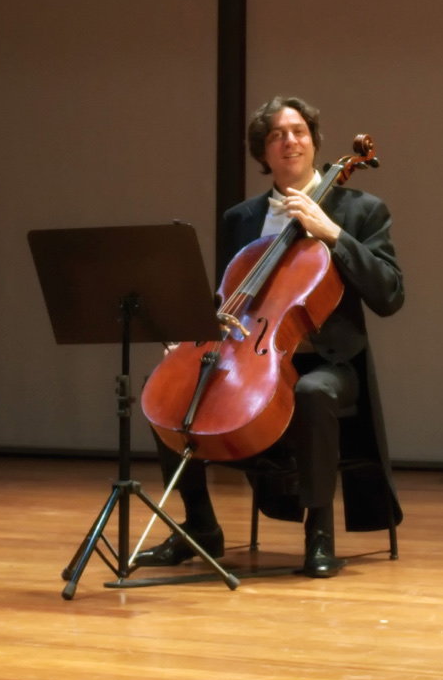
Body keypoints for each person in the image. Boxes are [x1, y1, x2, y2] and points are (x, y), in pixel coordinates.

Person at [140, 95, 404, 579]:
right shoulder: (241, 218)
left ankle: (319, 537)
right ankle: (201, 526)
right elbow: (227, 296)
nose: (290, 141)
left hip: (329, 364)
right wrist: (192, 336)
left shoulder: (360, 210)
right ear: (263, 152)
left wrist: (332, 234)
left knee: (311, 390)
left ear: (314, 141)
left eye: (299, 131)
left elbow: (390, 294)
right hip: (250, 357)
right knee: (171, 390)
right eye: (277, 135)